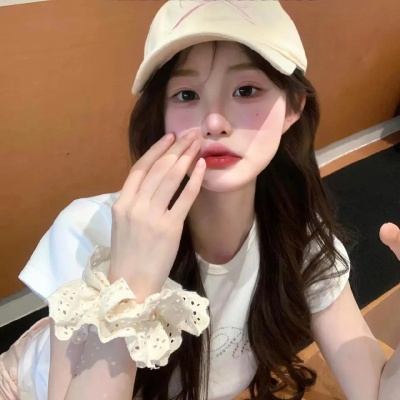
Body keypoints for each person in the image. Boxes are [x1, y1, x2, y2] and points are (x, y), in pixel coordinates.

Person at [1, 1, 400, 399]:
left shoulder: (299, 235)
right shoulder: (90, 230)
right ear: (160, 115)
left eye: (246, 90)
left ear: (293, 108)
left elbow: (374, 391)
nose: (214, 122)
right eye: (187, 94)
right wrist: (130, 290)